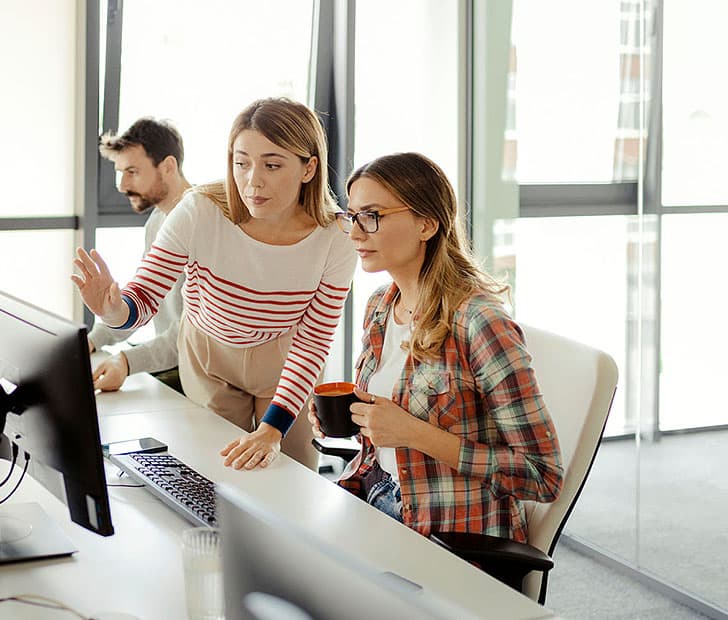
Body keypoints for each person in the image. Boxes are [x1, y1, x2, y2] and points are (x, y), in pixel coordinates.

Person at [73, 98, 356, 471]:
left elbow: (313, 341)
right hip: (209, 355)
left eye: (272, 165)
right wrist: (112, 310)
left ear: (309, 168)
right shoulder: (199, 210)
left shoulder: (337, 236)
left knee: (292, 473)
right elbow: (144, 297)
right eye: (241, 163)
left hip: (285, 356)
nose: (253, 180)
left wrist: (273, 429)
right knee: (217, 472)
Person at [309, 152, 563, 543]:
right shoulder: (381, 306)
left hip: (448, 531)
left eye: (371, 216)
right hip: (374, 494)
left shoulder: (479, 322)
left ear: (426, 224)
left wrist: (415, 433)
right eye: (352, 216)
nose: (355, 234)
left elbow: (543, 475)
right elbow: (392, 433)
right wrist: (358, 419)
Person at [87, 118, 191, 393]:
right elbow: (142, 304)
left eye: (132, 171)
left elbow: (190, 335)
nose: (122, 186)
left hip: (197, 375)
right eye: (120, 172)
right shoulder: (157, 221)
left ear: (168, 167)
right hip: (172, 364)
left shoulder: (202, 225)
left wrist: (126, 361)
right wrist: (92, 340)